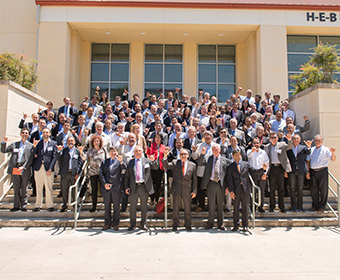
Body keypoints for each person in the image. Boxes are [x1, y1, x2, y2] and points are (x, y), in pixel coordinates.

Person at [162, 147, 197, 231]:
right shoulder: (175, 162)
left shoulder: (193, 165)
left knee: (187, 208)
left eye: (185, 154)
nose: (183, 155)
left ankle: (188, 225)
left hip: (187, 189)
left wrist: (194, 191)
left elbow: (195, 179)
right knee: (175, 208)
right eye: (181, 154)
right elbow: (165, 165)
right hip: (176, 188)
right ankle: (175, 224)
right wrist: (165, 157)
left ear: (188, 155)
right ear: (179, 155)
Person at [125, 146, 157, 231]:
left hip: (144, 187)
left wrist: (154, 161)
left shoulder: (147, 161)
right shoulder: (130, 162)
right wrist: (126, 187)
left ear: (142, 152)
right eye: (136, 151)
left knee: (144, 207)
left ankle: (143, 224)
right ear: (134, 153)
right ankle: (132, 224)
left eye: (139, 151)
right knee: (132, 207)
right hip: (133, 187)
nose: (138, 152)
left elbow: (156, 168)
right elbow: (127, 176)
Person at [1, 128, 34, 211]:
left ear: (28, 135)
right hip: (15, 168)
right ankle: (16, 205)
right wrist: (4, 142)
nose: (24, 134)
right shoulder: (15, 145)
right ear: (20, 134)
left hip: (24, 169)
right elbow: (4, 150)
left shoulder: (30, 146)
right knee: (16, 188)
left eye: (26, 133)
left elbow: (31, 158)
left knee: (24, 187)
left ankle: (24, 205)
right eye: (23, 132)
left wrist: (24, 166)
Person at [198, 145, 229, 230]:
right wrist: (202, 154)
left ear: (220, 150)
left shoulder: (225, 160)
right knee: (211, 204)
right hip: (211, 183)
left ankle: (220, 224)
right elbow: (200, 163)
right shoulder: (209, 158)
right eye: (214, 150)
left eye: (217, 149)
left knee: (220, 204)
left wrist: (228, 187)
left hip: (220, 184)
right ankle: (210, 223)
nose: (215, 151)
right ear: (212, 150)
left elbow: (228, 174)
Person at [264, 132, 292, 213]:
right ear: (269, 139)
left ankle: (281, 206)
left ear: (277, 138)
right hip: (272, 168)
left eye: (275, 137)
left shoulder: (282, 144)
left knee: (281, 188)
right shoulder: (267, 147)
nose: (273, 139)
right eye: (272, 137)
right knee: (272, 189)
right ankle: (272, 206)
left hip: (280, 168)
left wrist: (289, 140)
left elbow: (289, 147)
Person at [307, 135, 337, 212]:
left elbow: (333, 159)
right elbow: (308, 161)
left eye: (319, 141)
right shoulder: (312, 149)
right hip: (313, 171)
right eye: (316, 140)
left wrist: (333, 153)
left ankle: (322, 206)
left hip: (322, 171)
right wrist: (308, 172)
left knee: (323, 190)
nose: (317, 142)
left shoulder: (326, 149)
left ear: (322, 141)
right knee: (314, 190)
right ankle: (315, 206)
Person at [99, 147, 125, 231]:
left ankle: (116, 223)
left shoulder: (119, 161)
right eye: (111, 151)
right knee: (107, 206)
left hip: (116, 187)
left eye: (114, 151)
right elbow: (101, 173)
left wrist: (121, 162)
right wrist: (105, 183)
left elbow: (124, 171)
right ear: (109, 153)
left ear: (117, 152)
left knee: (116, 206)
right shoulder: (105, 161)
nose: (113, 153)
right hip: (106, 187)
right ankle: (107, 223)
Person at [32, 127, 57, 212]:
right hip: (38, 167)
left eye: (47, 132)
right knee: (38, 187)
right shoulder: (39, 143)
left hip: (48, 168)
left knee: (48, 187)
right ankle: (38, 205)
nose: (45, 134)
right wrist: (34, 147)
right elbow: (34, 154)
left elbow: (54, 157)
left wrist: (50, 168)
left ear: (49, 133)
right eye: (44, 132)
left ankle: (50, 205)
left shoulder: (53, 143)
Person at [79, 135, 107, 212]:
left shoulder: (103, 150)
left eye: (98, 141)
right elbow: (84, 158)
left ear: (100, 142)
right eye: (95, 141)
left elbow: (107, 160)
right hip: (93, 173)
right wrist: (81, 151)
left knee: (104, 190)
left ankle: (106, 205)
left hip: (102, 173)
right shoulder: (90, 151)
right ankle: (94, 206)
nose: (96, 143)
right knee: (94, 190)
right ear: (92, 143)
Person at [227, 149, 252, 232]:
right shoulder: (230, 166)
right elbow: (230, 180)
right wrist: (231, 191)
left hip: (245, 189)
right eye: (235, 155)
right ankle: (236, 225)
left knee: (245, 208)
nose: (237, 157)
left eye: (238, 155)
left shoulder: (246, 164)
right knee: (236, 209)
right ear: (233, 156)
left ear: (241, 155)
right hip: (236, 190)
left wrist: (263, 170)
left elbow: (252, 173)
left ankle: (245, 225)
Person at [56, 137, 83, 212]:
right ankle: (65, 205)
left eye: (72, 141)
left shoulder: (77, 151)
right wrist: (59, 151)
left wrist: (78, 172)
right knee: (64, 190)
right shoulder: (64, 150)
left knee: (75, 190)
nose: (70, 142)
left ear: (74, 142)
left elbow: (80, 162)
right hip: (65, 173)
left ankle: (75, 205)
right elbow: (59, 159)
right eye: (69, 141)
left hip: (74, 173)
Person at [287, 135, 311, 212]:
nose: (296, 140)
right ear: (292, 140)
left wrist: (309, 146)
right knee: (292, 188)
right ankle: (293, 206)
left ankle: (300, 206)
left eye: (297, 138)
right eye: (294, 138)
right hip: (292, 171)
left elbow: (308, 152)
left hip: (301, 170)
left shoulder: (303, 147)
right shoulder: (289, 148)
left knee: (300, 189)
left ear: (300, 140)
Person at [247, 137, 269, 212]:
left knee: (261, 191)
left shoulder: (263, 152)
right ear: (252, 144)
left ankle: (260, 206)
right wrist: (253, 151)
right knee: (253, 191)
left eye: (257, 143)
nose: (256, 144)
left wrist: (265, 173)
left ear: (260, 144)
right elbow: (248, 156)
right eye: (254, 143)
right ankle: (253, 206)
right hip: (252, 172)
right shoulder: (249, 151)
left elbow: (267, 163)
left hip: (261, 172)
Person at [147, 133, 166, 205]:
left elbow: (165, 156)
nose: (157, 139)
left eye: (159, 137)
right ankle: (152, 199)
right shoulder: (151, 146)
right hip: (152, 167)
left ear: (161, 139)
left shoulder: (163, 147)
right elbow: (148, 154)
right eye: (156, 137)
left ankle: (157, 199)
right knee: (152, 183)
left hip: (160, 167)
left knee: (158, 184)